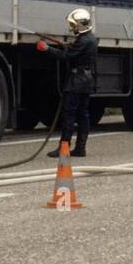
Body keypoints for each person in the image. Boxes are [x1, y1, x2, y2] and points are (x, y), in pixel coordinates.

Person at [41, 8, 98, 159]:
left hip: (76, 83)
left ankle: (63, 148)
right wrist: (69, 46)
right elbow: (75, 53)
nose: (72, 27)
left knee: (69, 115)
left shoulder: (84, 40)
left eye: (74, 25)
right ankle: (80, 148)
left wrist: (47, 49)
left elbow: (65, 56)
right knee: (83, 115)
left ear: (80, 24)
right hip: (86, 82)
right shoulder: (90, 39)